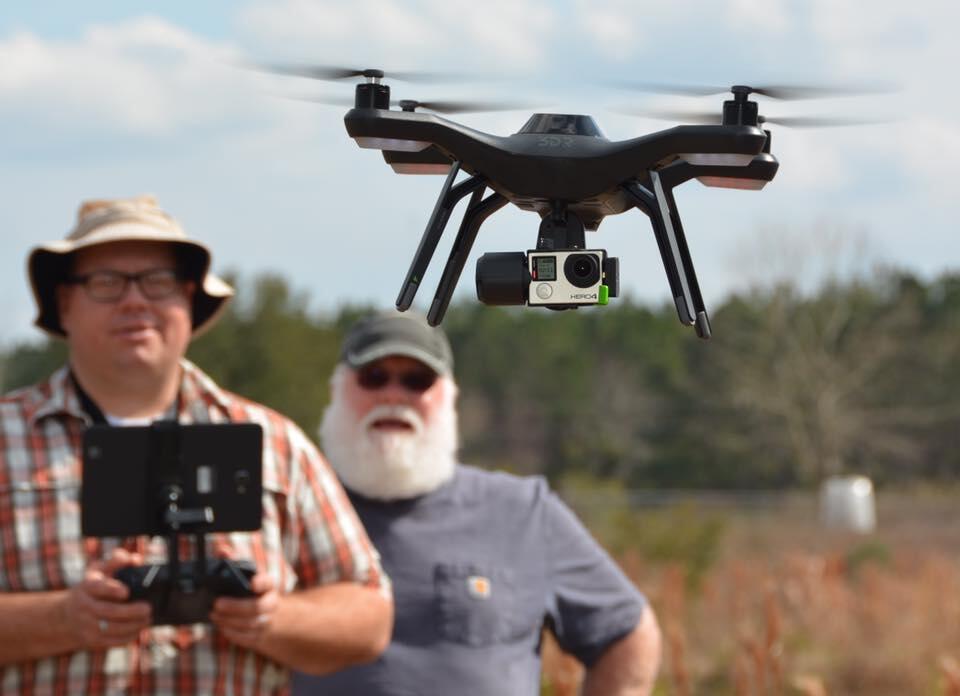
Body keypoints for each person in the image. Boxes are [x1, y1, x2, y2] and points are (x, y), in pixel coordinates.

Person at [0, 195, 393, 694]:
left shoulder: (273, 443)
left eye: (158, 282)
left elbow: (369, 615)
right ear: (64, 303)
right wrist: (61, 618)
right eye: (106, 282)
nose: (135, 301)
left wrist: (270, 617)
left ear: (189, 299)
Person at [293, 312, 662, 696]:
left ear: (449, 398)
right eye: (373, 377)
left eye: (416, 380)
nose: (393, 394)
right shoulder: (290, 508)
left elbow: (626, 632)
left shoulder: (522, 511)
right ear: (336, 391)